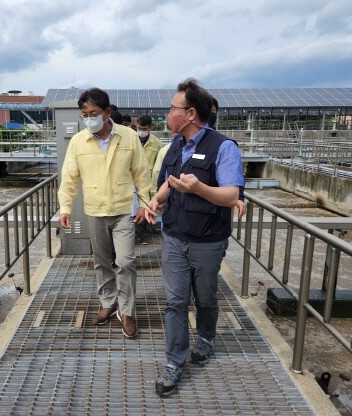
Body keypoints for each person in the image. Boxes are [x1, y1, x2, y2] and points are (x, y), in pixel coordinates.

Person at [144, 79, 244, 397]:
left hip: (207, 241)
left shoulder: (223, 147)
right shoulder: (175, 145)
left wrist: (199, 188)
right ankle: (175, 362)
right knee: (174, 303)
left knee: (205, 299)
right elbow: (170, 182)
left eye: (172, 108)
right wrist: (156, 202)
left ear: (189, 113)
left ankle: (206, 337)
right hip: (173, 237)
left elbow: (231, 195)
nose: (167, 114)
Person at [58, 87, 151, 338]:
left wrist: (144, 204)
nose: (89, 118)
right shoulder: (79, 141)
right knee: (101, 262)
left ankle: (127, 310)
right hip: (95, 210)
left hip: (123, 210)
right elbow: (68, 177)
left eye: (94, 113)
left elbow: (141, 173)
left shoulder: (128, 137)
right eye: (84, 114)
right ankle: (108, 303)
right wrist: (65, 207)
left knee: (125, 261)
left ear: (107, 112)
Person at [135, 115, 162, 244]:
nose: (141, 131)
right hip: (133, 180)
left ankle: (143, 234)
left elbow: (159, 165)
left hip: (149, 181)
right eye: (139, 128)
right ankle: (133, 232)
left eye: (144, 128)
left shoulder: (156, 143)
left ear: (150, 128)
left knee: (146, 206)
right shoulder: (131, 139)